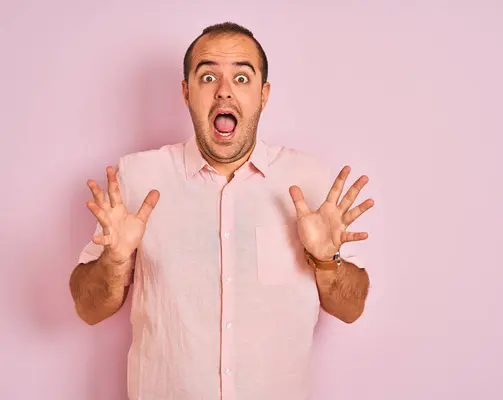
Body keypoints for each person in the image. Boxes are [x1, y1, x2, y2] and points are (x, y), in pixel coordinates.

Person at [69, 21, 373, 400]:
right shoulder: (137, 178)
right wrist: (114, 262)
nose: (224, 91)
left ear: (264, 95)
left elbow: (350, 308)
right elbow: (88, 308)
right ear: (186, 91)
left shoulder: (309, 180)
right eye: (208, 76)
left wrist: (327, 260)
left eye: (242, 79)